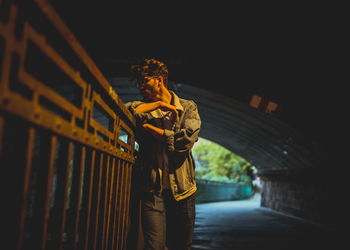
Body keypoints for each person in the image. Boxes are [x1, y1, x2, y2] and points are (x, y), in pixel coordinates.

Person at [126, 58, 201, 250]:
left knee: (181, 246)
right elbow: (124, 111)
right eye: (138, 82)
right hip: (152, 189)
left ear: (159, 80)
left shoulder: (188, 107)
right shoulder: (143, 108)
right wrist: (160, 105)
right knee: (154, 247)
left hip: (183, 191)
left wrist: (154, 131)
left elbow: (184, 143)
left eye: (145, 81)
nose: (140, 86)